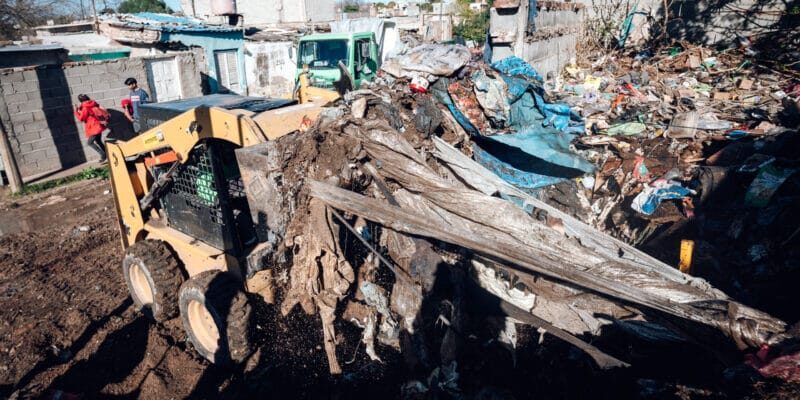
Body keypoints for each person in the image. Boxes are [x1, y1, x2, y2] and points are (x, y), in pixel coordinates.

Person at [75, 94, 110, 163]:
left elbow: (81, 118)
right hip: (98, 125)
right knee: (99, 141)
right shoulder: (93, 103)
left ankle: (103, 155)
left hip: (93, 127)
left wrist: (76, 111)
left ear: (80, 101)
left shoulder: (85, 107)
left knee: (90, 143)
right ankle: (108, 154)